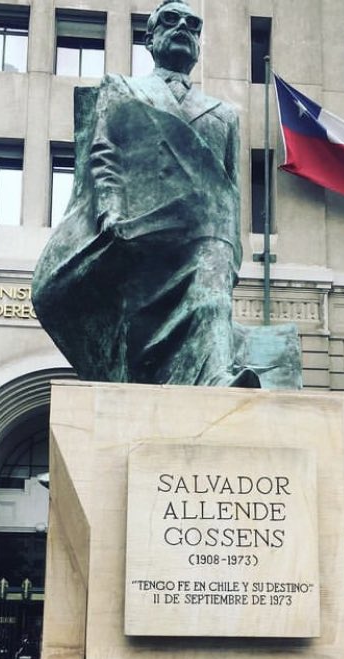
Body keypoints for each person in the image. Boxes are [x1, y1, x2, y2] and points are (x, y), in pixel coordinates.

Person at [32, 0, 265, 389]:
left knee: (212, 301)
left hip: (201, 236)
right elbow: (103, 153)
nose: (183, 29)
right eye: (171, 21)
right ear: (150, 38)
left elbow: (229, 192)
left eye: (193, 25)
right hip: (139, 232)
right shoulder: (123, 90)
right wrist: (109, 211)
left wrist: (230, 255)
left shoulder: (223, 114)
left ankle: (216, 381)